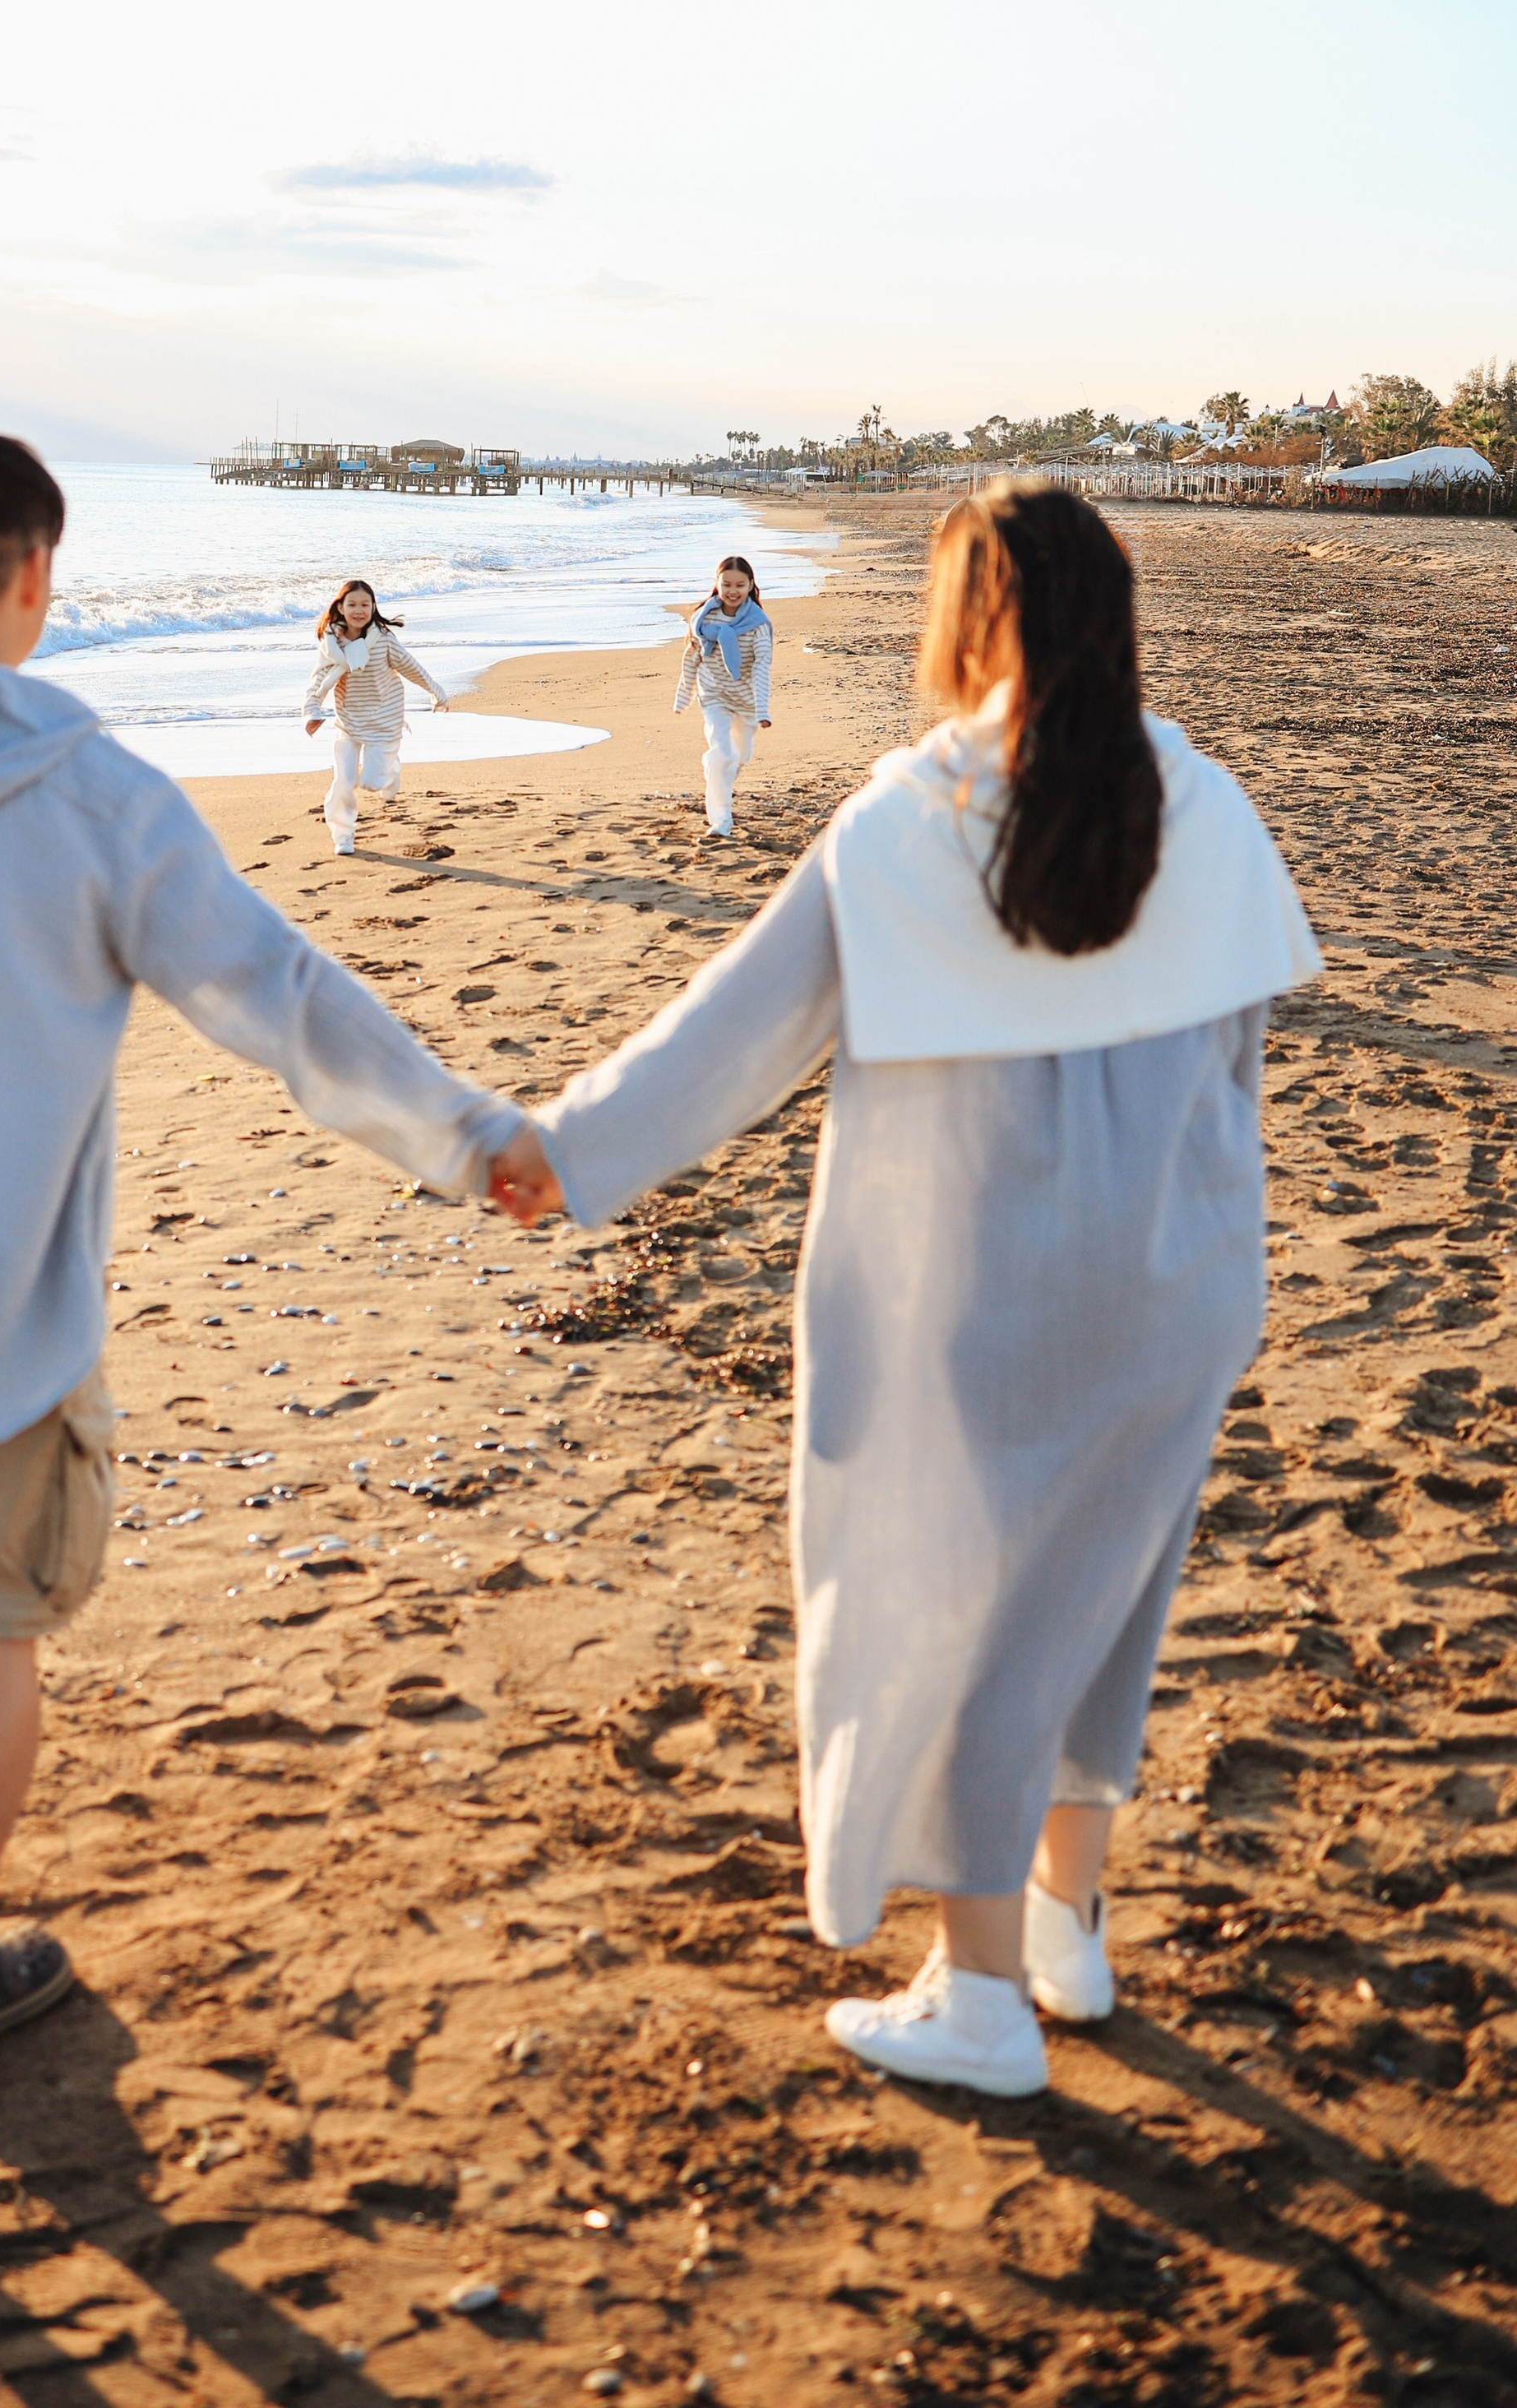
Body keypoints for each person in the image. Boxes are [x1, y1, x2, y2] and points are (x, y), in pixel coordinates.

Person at [0, 416, 523, 2108]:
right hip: (9, 1310)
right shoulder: (96, 794)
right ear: (39, 575)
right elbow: (275, 1000)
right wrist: (470, 1133)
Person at [490, 484, 1320, 2098]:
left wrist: (555, 1155)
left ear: (970, 618)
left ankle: (980, 1993)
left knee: (969, 1617)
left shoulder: (910, 814)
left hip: (985, 1289)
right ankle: (1063, 1921)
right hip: (1180, 1280)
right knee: (1102, 1597)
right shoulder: (1199, 804)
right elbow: (1235, 1066)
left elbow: (728, 1042)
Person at [303, 576, 447, 856]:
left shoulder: (383, 640)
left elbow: (410, 666)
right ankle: (343, 836)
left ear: (373, 608)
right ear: (341, 608)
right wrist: (311, 712)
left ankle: (391, 769)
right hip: (348, 722)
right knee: (344, 780)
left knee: (371, 781)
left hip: (384, 718)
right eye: (352, 604)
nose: (359, 610)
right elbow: (318, 680)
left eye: (365, 605)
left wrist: (435, 690)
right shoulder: (332, 645)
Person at [673, 553, 772, 839]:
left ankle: (716, 769)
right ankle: (721, 821)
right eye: (726, 584)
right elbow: (692, 657)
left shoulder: (758, 623)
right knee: (723, 753)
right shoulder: (703, 619)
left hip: (747, 701)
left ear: (751, 584)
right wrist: (683, 697)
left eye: (740, 585)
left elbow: (762, 667)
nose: (733, 591)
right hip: (714, 696)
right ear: (717, 584)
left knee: (740, 755)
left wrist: (763, 711)